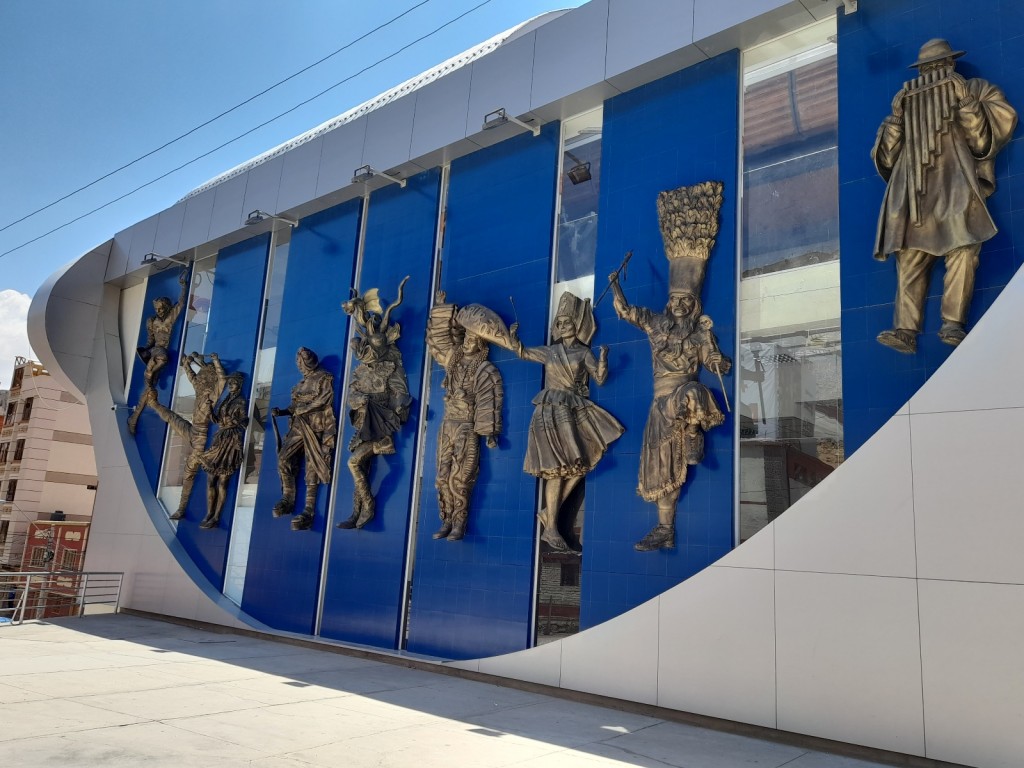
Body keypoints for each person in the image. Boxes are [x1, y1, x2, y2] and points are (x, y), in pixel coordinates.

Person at [873, 39, 1017, 354]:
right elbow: (886, 161)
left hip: (956, 185)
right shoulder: (908, 104)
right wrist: (896, 121)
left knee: (964, 249)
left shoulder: (977, 90)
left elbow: (982, 143)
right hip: (915, 191)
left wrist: (965, 102)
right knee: (909, 256)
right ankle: (905, 331)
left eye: (938, 65)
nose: (933, 72)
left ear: (951, 64)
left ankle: (953, 323)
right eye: (926, 68)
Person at [609, 275, 731, 552]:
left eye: (686, 300)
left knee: (693, 391)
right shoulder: (655, 324)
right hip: (660, 403)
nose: (679, 304)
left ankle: (692, 433)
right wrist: (616, 285)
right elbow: (626, 312)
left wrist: (717, 361)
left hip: (683, 392)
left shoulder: (700, 334)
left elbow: (716, 364)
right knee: (663, 467)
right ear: (669, 302)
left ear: (694, 305)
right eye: (675, 299)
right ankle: (665, 529)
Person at [508, 291, 623, 552]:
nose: (562, 326)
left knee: (579, 466)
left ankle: (549, 512)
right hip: (549, 410)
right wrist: (513, 337)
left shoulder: (583, 353)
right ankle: (550, 528)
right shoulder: (550, 352)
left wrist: (603, 359)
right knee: (557, 467)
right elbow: (523, 353)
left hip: (573, 410)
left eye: (567, 322)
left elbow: (600, 379)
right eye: (558, 323)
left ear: (577, 325)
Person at [425, 296, 504, 541]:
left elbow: (491, 400)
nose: (469, 342)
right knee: (441, 477)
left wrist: (489, 432)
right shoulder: (453, 363)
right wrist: (440, 309)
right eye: (467, 338)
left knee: (460, 478)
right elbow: (438, 341)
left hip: (467, 427)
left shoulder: (486, 370)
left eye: (475, 340)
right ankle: (445, 519)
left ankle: (459, 523)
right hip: (447, 424)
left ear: (482, 345)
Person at [337, 278, 412, 530]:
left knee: (354, 462)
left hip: (381, 424)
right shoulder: (361, 372)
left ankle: (367, 507)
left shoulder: (392, 366)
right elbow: (352, 393)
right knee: (363, 465)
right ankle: (355, 511)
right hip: (363, 423)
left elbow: (400, 391)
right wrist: (360, 401)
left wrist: (398, 411)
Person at [146, 352, 225, 521]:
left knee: (189, 472)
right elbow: (191, 375)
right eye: (201, 379)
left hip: (200, 438)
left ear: (210, 381)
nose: (200, 381)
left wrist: (216, 361)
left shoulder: (212, 396)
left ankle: (181, 509)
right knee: (171, 417)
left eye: (204, 379)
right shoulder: (200, 387)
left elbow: (222, 380)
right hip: (193, 430)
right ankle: (154, 404)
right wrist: (187, 364)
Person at [271, 347, 337, 531]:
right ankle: (288, 498)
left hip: (316, 426)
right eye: (299, 363)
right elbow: (294, 406)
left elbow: (325, 399)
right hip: (297, 426)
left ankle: (308, 511)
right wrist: (282, 411)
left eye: (302, 363)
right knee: (283, 458)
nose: (300, 366)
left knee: (312, 466)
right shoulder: (300, 384)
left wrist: (305, 409)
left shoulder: (324, 377)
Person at [128, 270, 189, 434]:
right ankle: (149, 374)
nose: (159, 311)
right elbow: (150, 340)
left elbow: (182, 304)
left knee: (150, 387)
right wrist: (143, 350)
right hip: (155, 350)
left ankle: (134, 417)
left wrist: (184, 287)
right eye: (157, 309)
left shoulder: (171, 318)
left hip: (163, 350)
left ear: (167, 307)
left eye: (162, 308)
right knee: (160, 358)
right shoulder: (151, 321)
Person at [193, 370, 249, 529]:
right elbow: (217, 420)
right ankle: (209, 513)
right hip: (220, 438)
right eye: (229, 383)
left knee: (223, 482)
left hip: (231, 440)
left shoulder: (241, 401)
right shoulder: (225, 400)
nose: (230, 385)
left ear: (239, 384)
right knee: (211, 479)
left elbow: (244, 419)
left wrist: (239, 421)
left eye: (233, 383)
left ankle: (217, 516)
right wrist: (210, 409)